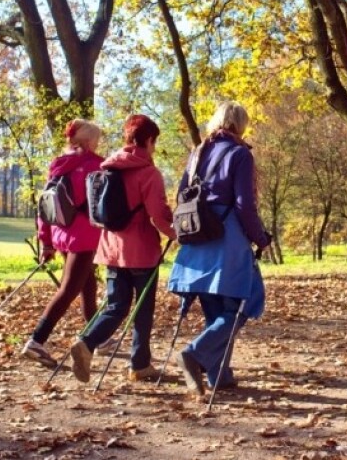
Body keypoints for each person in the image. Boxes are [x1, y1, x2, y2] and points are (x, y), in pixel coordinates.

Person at [168, 101, 271, 395]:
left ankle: (219, 375)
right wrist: (260, 237)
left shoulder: (197, 152)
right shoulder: (240, 154)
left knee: (214, 307)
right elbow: (244, 204)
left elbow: (181, 195)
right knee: (244, 303)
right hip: (229, 237)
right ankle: (195, 353)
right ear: (241, 125)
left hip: (197, 237)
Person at [69, 114, 176, 383]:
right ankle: (139, 365)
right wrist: (177, 234)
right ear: (149, 140)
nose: (154, 148)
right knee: (142, 308)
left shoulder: (108, 168)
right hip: (141, 250)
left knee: (116, 305)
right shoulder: (149, 173)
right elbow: (158, 214)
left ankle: (86, 341)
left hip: (111, 248)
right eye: (154, 142)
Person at [22, 119, 116, 367]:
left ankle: (96, 337)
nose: (98, 143)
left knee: (87, 285)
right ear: (87, 141)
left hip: (62, 234)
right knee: (68, 289)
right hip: (85, 237)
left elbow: (44, 206)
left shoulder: (59, 165)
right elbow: (105, 206)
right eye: (96, 138)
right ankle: (36, 341)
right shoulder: (95, 165)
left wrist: (47, 242)